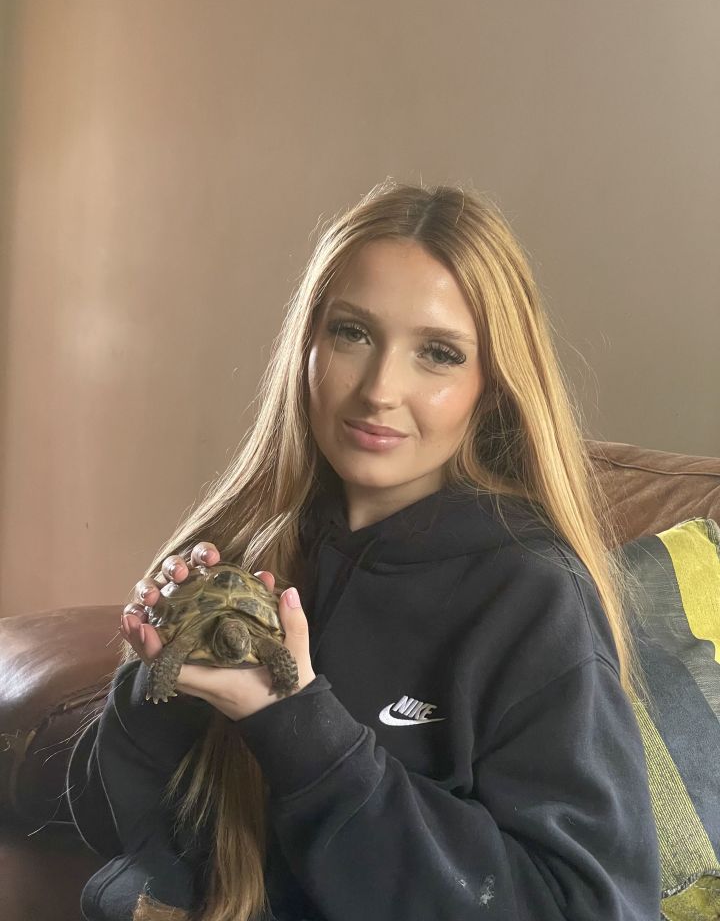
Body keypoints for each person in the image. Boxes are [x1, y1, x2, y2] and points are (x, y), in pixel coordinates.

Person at [66, 179, 661, 921]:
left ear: (493, 385)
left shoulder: (529, 597)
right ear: (308, 346)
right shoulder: (245, 548)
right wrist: (156, 686)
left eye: (438, 354)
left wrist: (299, 729)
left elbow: (590, 907)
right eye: (353, 333)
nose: (380, 388)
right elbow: (106, 828)